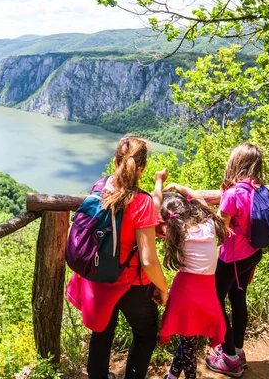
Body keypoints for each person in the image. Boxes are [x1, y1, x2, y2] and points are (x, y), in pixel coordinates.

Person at [66, 135, 169, 379]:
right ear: (141, 168)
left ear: (115, 162)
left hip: (100, 276)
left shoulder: (101, 186)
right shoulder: (141, 202)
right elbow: (148, 261)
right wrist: (163, 288)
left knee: (102, 330)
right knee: (145, 335)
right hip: (133, 284)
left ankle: (98, 375)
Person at [153, 170, 227, 379]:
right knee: (189, 337)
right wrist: (176, 185)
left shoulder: (176, 232)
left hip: (185, 290)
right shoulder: (209, 223)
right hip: (206, 290)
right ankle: (173, 374)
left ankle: (190, 376)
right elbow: (198, 198)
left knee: (188, 342)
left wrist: (159, 183)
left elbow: (155, 208)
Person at [205, 143, 265, 378]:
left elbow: (220, 229)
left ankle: (229, 357)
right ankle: (237, 350)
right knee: (238, 298)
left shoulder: (232, 194)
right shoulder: (258, 188)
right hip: (252, 254)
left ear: (235, 163)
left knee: (216, 299)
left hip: (232, 258)